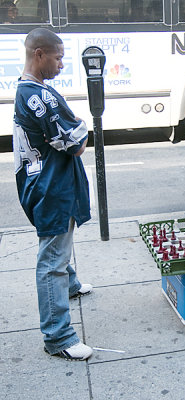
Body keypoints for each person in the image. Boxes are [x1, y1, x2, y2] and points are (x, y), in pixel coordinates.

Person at [13, 28, 93, 360]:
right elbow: (76, 143)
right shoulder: (40, 96)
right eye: (58, 57)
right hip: (51, 186)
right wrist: (83, 126)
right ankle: (58, 337)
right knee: (52, 259)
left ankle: (70, 285)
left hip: (44, 182)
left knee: (59, 243)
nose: (62, 64)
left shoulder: (30, 90)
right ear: (39, 54)